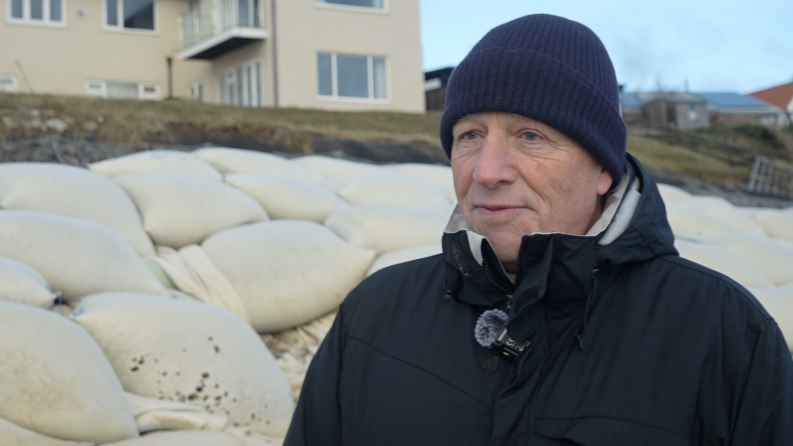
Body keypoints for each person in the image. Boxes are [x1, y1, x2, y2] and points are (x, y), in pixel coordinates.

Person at [284, 14, 793, 445]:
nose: (486, 171)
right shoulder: (374, 316)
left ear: (602, 170)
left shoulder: (722, 334)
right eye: (469, 135)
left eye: (530, 136)